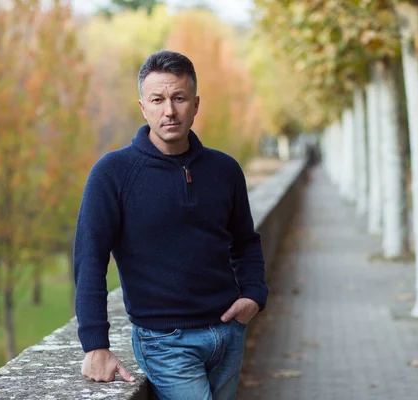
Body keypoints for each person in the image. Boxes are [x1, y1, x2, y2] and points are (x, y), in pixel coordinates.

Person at [74, 50, 269, 399]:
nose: (169, 111)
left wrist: (254, 294)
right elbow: (90, 260)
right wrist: (95, 344)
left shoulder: (225, 170)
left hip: (228, 332)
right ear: (142, 106)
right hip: (165, 341)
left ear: (195, 104)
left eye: (179, 98)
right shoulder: (112, 174)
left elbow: (245, 242)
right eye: (158, 99)